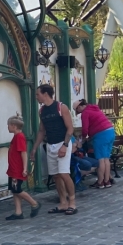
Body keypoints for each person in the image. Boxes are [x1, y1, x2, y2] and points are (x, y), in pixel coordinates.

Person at [30, 84, 77, 215]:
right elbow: (41, 131)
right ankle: (63, 202)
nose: (36, 97)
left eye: (37, 94)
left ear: (45, 94)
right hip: (50, 145)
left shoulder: (61, 107)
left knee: (64, 174)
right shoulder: (42, 111)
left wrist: (65, 145)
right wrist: (34, 148)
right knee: (56, 176)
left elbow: (70, 128)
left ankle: (72, 202)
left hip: (62, 143)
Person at [5, 115, 40, 220]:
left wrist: (24, 168)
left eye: (9, 125)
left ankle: (34, 203)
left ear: (14, 126)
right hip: (13, 168)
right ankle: (18, 212)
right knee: (14, 190)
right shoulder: (16, 136)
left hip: (17, 168)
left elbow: (23, 153)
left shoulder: (19, 137)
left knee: (17, 189)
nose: (7, 127)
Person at [75, 100, 116, 188]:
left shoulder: (85, 113)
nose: (79, 112)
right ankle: (107, 181)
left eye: (77, 111)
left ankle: (100, 182)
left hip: (100, 135)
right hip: (110, 132)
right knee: (106, 159)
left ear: (79, 107)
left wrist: (83, 138)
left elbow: (85, 129)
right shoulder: (95, 109)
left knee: (101, 160)